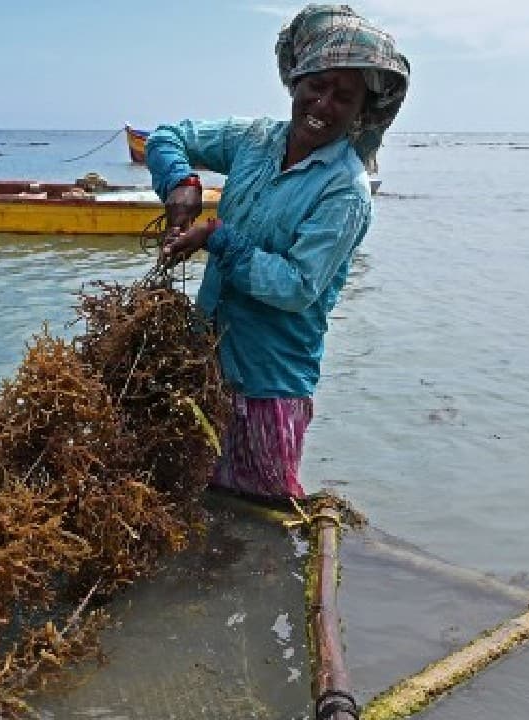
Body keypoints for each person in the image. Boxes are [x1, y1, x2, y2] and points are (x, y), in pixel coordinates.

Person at [146, 4, 409, 499]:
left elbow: (294, 287)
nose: (324, 103)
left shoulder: (345, 191)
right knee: (195, 503)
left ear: (360, 112)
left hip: (270, 384)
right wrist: (181, 183)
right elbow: (168, 135)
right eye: (317, 84)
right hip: (205, 363)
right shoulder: (254, 140)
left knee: (264, 525)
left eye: (343, 96)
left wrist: (215, 237)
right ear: (296, 81)